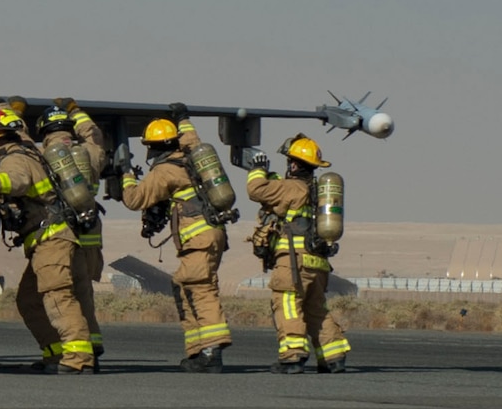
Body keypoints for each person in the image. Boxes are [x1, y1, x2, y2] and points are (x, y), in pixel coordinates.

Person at [0, 104, 94, 373]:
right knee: (28, 300)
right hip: (49, 241)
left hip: (51, 240)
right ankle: (54, 353)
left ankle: (78, 358)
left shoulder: (13, 159)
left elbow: (18, 180)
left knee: (58, 297)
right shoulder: (27, 150)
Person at [120, 112, 233, 371]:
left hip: (198, 237)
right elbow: (193, 139)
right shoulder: (191, 156)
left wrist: (125, 175)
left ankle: (212, 352)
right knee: (183, 285)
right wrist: (183, 119)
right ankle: (196, 350)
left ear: (154, 147)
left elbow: (135, 199)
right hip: (210, 234)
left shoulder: (165, 171)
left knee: (201, 288)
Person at [247, 134, 351, 373]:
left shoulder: (291, 188)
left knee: (287, 304)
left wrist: (258, 169)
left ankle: (293, 356)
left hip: (294, 262)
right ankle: (333, 357)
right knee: (316, 309)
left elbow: (256, 190)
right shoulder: (314, 191)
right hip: (318, 263)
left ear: (293, 164)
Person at [40, 98, 109, 361]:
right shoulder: (90, 152)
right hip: (90, 231)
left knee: (61, 294)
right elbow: (94, 134)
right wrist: (76, 111)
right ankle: (94, 342)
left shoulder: (45, 155)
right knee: (84, 292)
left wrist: (12, 114)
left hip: (62, 232)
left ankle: (73, 349)